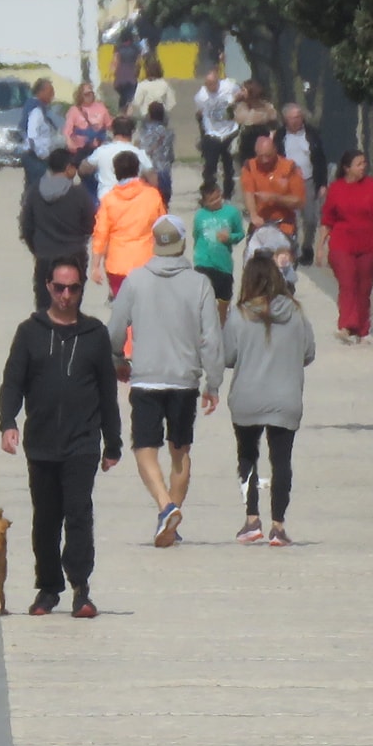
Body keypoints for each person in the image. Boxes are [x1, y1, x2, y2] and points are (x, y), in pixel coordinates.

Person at [0, 257, 122, 618]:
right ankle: (48, 587)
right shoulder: (30, 331)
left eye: (73, 288)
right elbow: (12, 382)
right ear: (48, 287)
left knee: (79, 514)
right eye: (59, 288)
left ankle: (81, 588)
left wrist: (112, 443)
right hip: (41, 442)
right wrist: (8, 422)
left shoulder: (95, 334)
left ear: (82, 289)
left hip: (82, 442)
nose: (66, 295)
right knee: (46, 518)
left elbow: (106, 392)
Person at [111, 217, 223, 549]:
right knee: (180, 451)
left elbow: (115, 328)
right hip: (184, 378)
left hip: (147, 377)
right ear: (183, 244)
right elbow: (212, 339)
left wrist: (117, 357)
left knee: (144, 447)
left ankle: (165, 506)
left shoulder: (135, 280)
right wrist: (213, 383)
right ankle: (170, 518)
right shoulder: (199, 283)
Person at [222, 256, 315, 547]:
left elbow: (227, 357)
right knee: (282, 461)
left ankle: (252, 519)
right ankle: (278, 525)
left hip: (247, 397)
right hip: (285, 397)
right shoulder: (297, 313)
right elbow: (309, 353)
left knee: (248, 456)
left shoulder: (239, 314)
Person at [318, 148, 373, 342]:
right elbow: (327, 219)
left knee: (364, 287)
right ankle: (347, 325)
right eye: (358, 164)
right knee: (348, 283)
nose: (363, 167)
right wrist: (320, 246)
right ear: (347, 168)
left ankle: (362, 327)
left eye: (364, 163)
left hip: (368, 243)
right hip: (342, 242)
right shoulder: (336, 189)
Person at [20, 146, 99, 312]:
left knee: (43, 308)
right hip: (74, 256)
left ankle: (44, 337)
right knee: (70, 308)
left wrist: (37, 248)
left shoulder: (34, 192)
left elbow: (26, 226)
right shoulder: (79, 194)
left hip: (44, 256)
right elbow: (90, 225)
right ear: (68, 167)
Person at [90, 151, 162, 303]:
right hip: (147, 262)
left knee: (124, 310)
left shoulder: (109, 200)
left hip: (117, 264)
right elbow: (162, 228)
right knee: (145, 308)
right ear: (138, 170)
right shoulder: (152, 195)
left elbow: (101, 234)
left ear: (116, 172)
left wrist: (95, 266)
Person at [274, 104, 328, 264]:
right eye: (292, 118)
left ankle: (307, 246)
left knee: (310, 218)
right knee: (291, 218)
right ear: (285, 119)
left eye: (298, 117)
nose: (296, 120)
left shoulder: (311, 134)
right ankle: (293, 249)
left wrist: (322, 184)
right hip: (287, 182)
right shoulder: (280, 136)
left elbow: (320, 159)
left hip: (308, 180)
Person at [192, 178, 246, 312]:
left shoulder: (232, 213)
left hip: (224, 265)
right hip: (203, 263)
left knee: (224, 299)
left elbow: (240, 234)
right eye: (211, 201)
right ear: (204, 202)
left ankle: (222, 328)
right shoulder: (200, 215)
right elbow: (196, 235)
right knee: (203, 300)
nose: (216, 202)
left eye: (218, 198)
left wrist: (230, 237)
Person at [240, 131, 305, 238]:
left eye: (268, 156)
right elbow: (249, 192)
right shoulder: (249, 167)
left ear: (275, 150)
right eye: (261, 157)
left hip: (284, 225)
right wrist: (253, 215)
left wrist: (275, 198)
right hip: (259, 224)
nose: (265, 160)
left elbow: (299, 201)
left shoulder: (289, 167)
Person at [82, 113, 152, 202]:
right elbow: (153, 180)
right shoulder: (140, 154)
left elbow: (83, 170)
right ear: (133, 131)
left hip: (106, 200)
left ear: (112, 130)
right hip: (132, 201)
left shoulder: (101, 151)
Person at [195, 67, 239, 194]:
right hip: (212, 133)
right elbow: (200, 114)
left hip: (230, 131)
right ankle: (209, 192)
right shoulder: (201, 96)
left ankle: (228, 193)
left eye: (213, 84)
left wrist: (235, 102)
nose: (211, 87)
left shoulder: (229, 87)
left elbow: (241, 93)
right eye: (207, 84)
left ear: (218, 82)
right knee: (210, 166)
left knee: (228, 167)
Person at [230, 79, 278, 166]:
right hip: (245, 139)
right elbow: (227, 116)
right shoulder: (241, 106)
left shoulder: (265, 106)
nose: (241, 92)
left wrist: (271, 139)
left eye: (243, 90)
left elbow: (274, 124)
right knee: (246, 166)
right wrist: (233, 101)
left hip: (261, 137)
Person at [63, 81, 112, 161]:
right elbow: (67, 131)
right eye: (86, 94)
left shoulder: (101, 107)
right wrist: (70, 144)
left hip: (99, 148)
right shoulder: (74, 110)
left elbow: (109, 125)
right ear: (80, 96)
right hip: (81, 150)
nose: (89, 96)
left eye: (91, 93)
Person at [23, 78, 59, 183]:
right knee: (37, 189)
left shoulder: (42, 109)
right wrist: (42, 154)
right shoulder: (36, 110)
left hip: (38, 156)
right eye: (50, 92)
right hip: (35, 157)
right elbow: (32, 135)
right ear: (41, 92)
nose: (53, 95)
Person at [139, 101, 176, 200]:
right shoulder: (169, 133)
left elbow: (142, 151)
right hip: (164, 170)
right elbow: (170, 155)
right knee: (164, 203)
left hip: (148, 172)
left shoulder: (143, 133)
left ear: (149, 115)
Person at [132, 53, 174, 127]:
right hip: (161, 115)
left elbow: (137, 102)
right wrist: (165, 109)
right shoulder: (164, 84)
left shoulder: (142, 85)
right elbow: (171, 102)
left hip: (147, 115)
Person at [111, 31, 143, 112]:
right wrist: (137, 73)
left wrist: (114, 73)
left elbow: (115, 61)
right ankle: (127, 114)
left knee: (123, 95)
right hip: (131, 75)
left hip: (120, 75)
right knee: (130, 97)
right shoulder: (136, 48)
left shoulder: (118, 47)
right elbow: (139, 62)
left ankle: (122, 112)